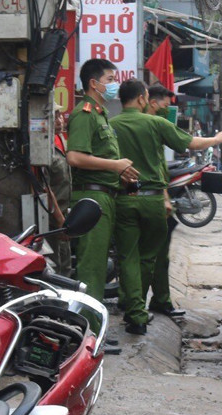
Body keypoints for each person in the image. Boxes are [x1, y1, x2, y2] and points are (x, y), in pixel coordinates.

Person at [110, 79, 222, 335]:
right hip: (152, 199)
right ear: (143, 98)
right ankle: (139, 311)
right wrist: (216, 138)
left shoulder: (111, 125)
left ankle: (135, 312)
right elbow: (190, 143)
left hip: (123, 199)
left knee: (127, 257)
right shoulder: (155, 123)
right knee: (148, 257)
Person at [66, 58, 139, 304]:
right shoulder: (85, 114)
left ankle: (93, 328)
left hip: (105, 195)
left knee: (99, 264)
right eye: (109, 80)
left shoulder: (100, 115)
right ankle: (90, 330)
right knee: (92, 267)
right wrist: (114, 165)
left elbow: (99, 156)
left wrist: (120, 173)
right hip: (91, 197)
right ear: (93, 83)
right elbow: (74, 157)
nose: (114, 85)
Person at [144, 84, 185, 319]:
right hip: (150, 200)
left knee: (146, 257)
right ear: (151, 102)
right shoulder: (151, 126)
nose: (166, 111)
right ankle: (155, 302)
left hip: (149, 198)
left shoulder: (146, 127)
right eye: (165, 106)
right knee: (155, 257)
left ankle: (140, 304)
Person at [43, 103, 71, 276]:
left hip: (63, 218)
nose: (60, 120)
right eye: (55, 116)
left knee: (65, 266)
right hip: (52, 222)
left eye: (61, 115)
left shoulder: (60, 141)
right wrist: (60, 220)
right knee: (55, 269)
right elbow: (45, 188)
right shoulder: (44, 148)